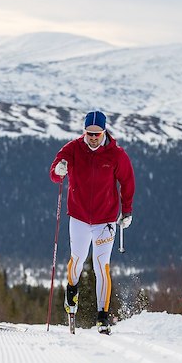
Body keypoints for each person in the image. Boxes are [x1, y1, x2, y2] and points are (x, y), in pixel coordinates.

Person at [49, 110, 135, 334]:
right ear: (84, 131)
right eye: (89, 133)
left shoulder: (116, 154)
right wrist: (59, 171)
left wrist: (127, 212)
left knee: (101, 267)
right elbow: (55, 173)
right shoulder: (73, 149)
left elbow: (127, 182)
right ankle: (71, 290)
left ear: (104, 132)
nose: (93, 138)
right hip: (78, 217)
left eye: (97, 134)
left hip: (105, 220)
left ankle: (102, 316)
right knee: (76, 261)